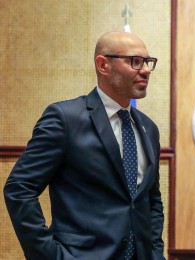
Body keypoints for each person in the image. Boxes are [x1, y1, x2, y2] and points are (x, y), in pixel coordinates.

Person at [4, 31, 165, 259]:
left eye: (148, 62)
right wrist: (49, 255)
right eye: (135, 61)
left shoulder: (149, 129)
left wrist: (156, 253)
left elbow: (152, 201)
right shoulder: (65, 118)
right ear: (103, 65)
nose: (146, 70)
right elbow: (19, 188)